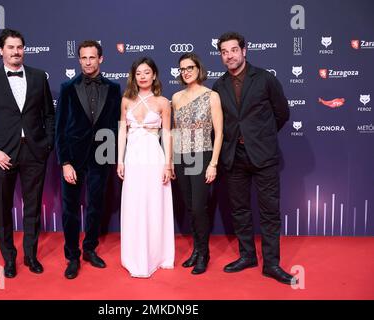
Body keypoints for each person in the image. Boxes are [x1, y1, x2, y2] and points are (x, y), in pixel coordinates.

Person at [0, 28, 55, 278]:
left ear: (24, 49)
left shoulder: (39, 77)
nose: (16, 52)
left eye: (19, 47)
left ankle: (31, 255)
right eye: (11, 47)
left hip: (34, 154)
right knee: (3, 210)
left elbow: (49, 115)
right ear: (1, 51)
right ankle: (9, 258)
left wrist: (47, 144)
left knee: (33, 209)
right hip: (2, 156)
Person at [212, 32, 296, 285]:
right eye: (224, 52)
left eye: (233, 50)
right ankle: (247, 255)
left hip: (264, 155)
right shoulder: (219, 86)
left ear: (244, 51)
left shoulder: (265, 79)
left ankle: (271, 264)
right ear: (221, 56)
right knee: (239, 210)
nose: (229, 55)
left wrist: (261, 136)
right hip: (234, 156)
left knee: (270, 212)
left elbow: (282, 113)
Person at [55, 40, 121, 279]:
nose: (88, 62)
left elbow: (116, 125)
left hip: (102, 157)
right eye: (83, 58)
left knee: (95, 206)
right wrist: (64, 162)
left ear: (101, 59)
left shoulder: (114, 89)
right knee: (70, 209)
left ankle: (89, 249)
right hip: (73, 159)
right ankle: (72, 256)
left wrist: (114, 155)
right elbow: (59, 128)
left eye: (92, 57)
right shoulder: (67, 88)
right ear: (79, 60)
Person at [117, 57, 175, 278]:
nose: (142, 76)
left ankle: (157, 255)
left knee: (154, 204)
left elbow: (168, 133)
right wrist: (119, 160)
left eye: (147, 72)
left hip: (154, 157)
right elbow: (122, 131)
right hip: (132, 158)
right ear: (134, 76)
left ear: (154, 75)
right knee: (134, 204)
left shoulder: (163, 102)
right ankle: (133, 256)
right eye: (138, 73)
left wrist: (168, 164)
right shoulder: (126, 100)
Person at [171, 53, 223, 275]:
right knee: (190, 206)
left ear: (198, 68)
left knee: (200, 207)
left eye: (190, 67)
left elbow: (219, 132)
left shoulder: (212, 96)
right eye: (182, 69)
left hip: (202, 154)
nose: (186, 71)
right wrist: (172, 160)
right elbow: (175, 131)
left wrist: (213, 163)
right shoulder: (175, 97)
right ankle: (195, 250)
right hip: (181, 157)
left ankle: (204, 253)